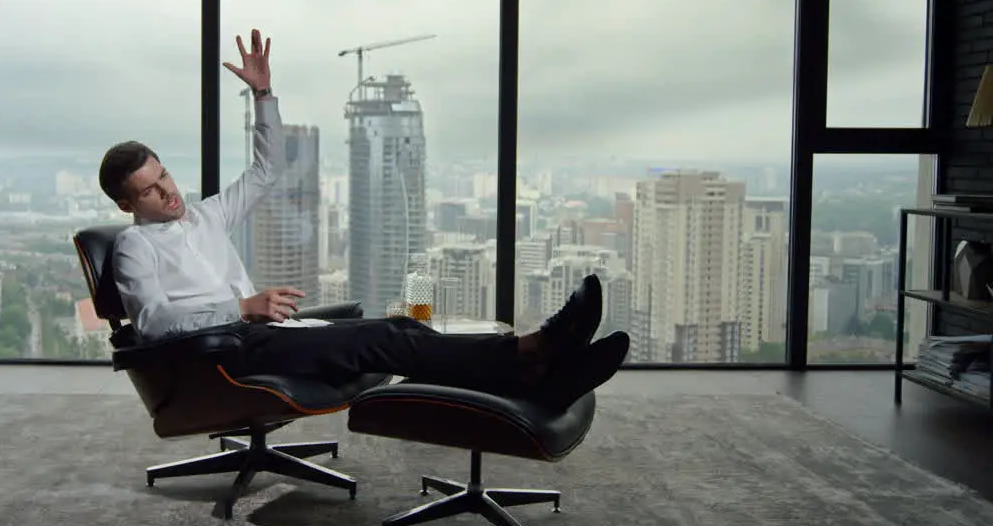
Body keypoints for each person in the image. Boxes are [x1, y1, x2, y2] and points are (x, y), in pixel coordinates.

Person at [98, 29, 629, 410]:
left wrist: (262, 95)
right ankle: (534, 355)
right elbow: (154, 324)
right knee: (391, 340)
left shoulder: (205, 217)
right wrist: (238, 307)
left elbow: (267, 169)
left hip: (260, 334)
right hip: (222, 354)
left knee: (399, 328)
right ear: (128, 206)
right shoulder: (133, 249)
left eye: (164, 176)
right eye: (149, 190)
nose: (168, 192)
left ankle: (535, 368)